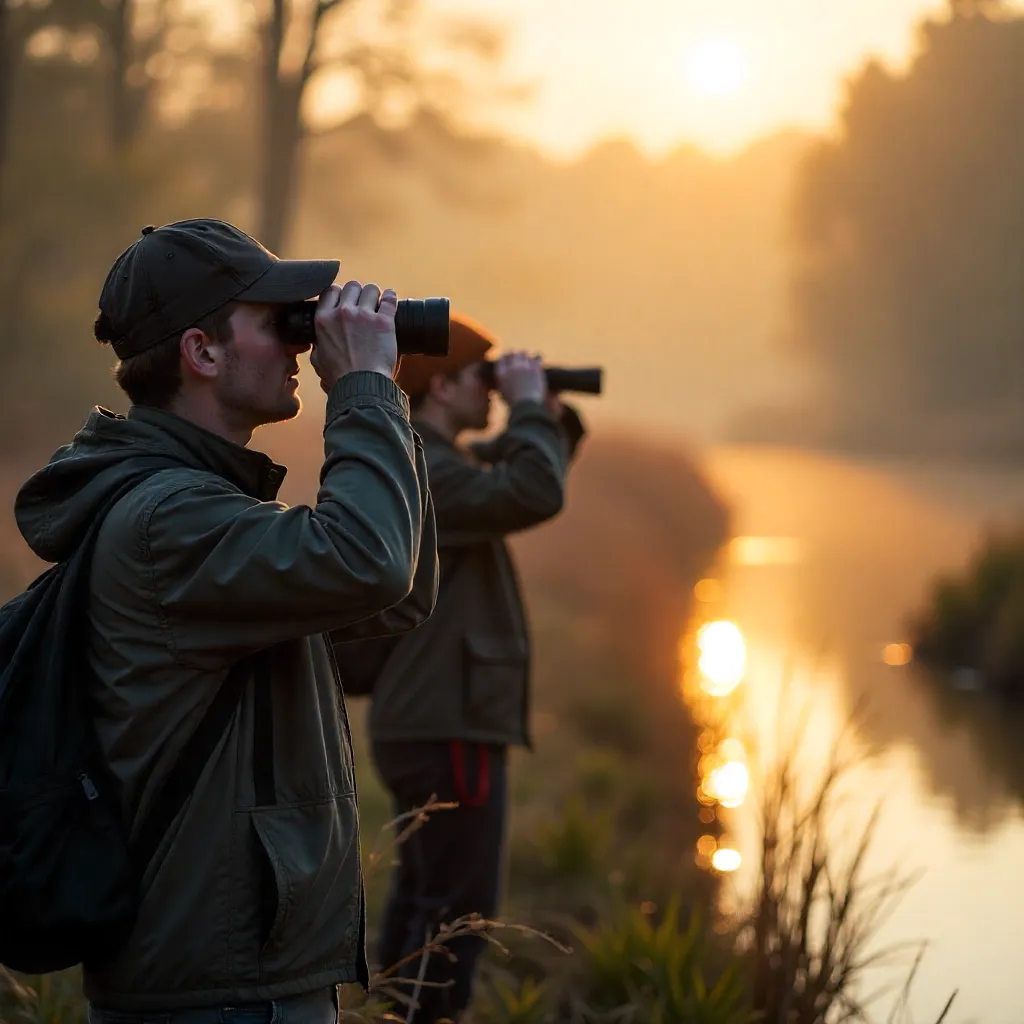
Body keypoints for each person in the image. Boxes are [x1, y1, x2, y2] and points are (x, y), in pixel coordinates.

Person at [12, 219, 438, 1024]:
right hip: (219, 987)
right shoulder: (167, 520)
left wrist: (388, 397)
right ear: (202, 352)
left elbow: (397, 592)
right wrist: (363, 391)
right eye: (278, 321)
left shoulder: (202, 504)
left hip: (243, 975)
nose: (300, 345)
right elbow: (370, 561)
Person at [353, 313, 585, 1022]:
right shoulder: (427, 466)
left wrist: (547, 417)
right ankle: (425, 1017)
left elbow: (522, 475)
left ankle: (395, 1014)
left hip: (432, 718)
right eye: (480, 379)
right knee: (460, 905)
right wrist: (523, 412)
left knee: (428, 895)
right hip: (444, 722)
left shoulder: (427, 456)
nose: (489, 393)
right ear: (442, 383)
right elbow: (529, 491)